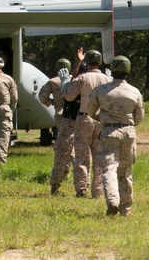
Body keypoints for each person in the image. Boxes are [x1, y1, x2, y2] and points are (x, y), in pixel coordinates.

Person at [93, 55, 145, 216]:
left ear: (112, 70)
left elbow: (90, 110)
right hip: (128, 133)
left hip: (109, 132)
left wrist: (103, 119)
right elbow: (139, 118)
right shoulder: (134, 91)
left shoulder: (101, 90)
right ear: (128, 71)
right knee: (125, 170)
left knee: (109, 167)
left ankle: (113, 201)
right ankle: (126, 208)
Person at [61, 47, 112, 198]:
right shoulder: (108, 79)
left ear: (87, 62)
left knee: (82, 155)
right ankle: (98, 191)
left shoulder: (82, 78)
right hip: (101, 119)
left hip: (84, 117)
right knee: (99, 155)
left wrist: (65, 82)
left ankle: (81, 188)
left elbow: (69, 96)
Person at [38, 58, 75, 195]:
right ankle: (72, 172)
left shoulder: (53, 81)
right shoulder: (75, 80)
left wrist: (52, 102)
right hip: (78, 116)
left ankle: (64, 170)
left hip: (60, 114)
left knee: (64, 144)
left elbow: (42, 96)